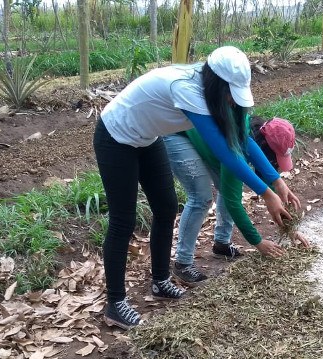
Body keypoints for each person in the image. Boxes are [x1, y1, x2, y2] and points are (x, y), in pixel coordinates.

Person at [93, 46, 301, 329]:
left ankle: (161, 281)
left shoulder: (216, 94)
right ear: (218, 84)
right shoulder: (188, 90)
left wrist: (276, 181)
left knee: (166, 208)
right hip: (116, 135)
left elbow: (242, 138)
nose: (233, 100)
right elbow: (227, 153)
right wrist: (266, 193)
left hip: (148, 138)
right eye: (230, 93)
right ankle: (115, 303)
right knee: (123, 220)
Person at [164, 116, 302, 285]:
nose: (276, 166)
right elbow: (233, 202)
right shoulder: (236, 151)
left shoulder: (247, 136)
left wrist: (289, 228)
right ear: (265, 149)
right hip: (177, 133)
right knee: (201, 198)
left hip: (203, 137)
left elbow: (267, 184)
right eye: (275, 160)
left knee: (228, 186)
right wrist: (258, 242)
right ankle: (183, 264)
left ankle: (221, 244)